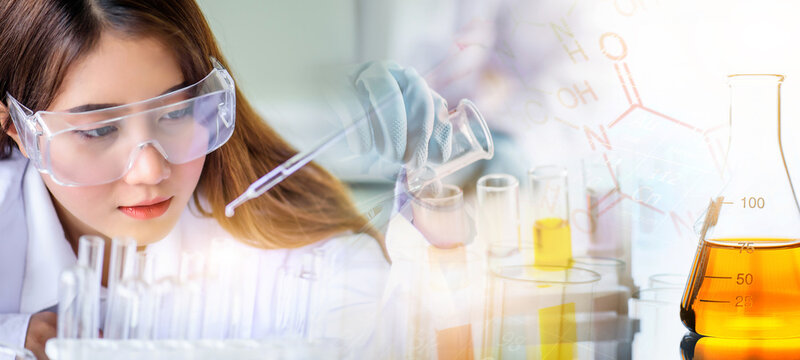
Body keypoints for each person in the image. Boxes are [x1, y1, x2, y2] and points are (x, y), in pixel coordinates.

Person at [0, 1, 449, 359]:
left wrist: (437, 204)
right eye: (99, 129)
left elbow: (410, 337)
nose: (152, 170)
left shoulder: (303, 261)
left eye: (175, 112)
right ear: (18, 131)